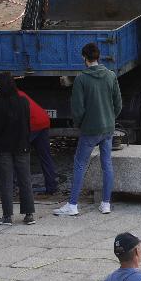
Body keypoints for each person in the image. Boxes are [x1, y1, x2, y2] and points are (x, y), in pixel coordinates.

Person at [54, 43, 122, 217]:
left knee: (79, 164)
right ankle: (106, 203)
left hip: (90, 129)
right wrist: (110, 118)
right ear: (98, 57)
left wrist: (80, 124)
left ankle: (73, 204)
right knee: (106, 165)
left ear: (84, 57)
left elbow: (77, 108)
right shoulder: (110, 75)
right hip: (108, 128)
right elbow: (118, 103)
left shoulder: (81, 79)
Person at [0, 72, 36, 226]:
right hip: (22, 145)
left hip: (2, 147)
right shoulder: (23, 102)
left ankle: (7, 215)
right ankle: (29, 214)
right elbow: (27, 123)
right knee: (25, 179)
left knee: (6, 181)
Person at [17, 87, 58, 195]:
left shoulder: (9, 99)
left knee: (18, 155)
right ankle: (51, 186)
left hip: (33, 124)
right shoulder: (20, 93)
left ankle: (18, 186)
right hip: (43, 120)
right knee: (45, 156)